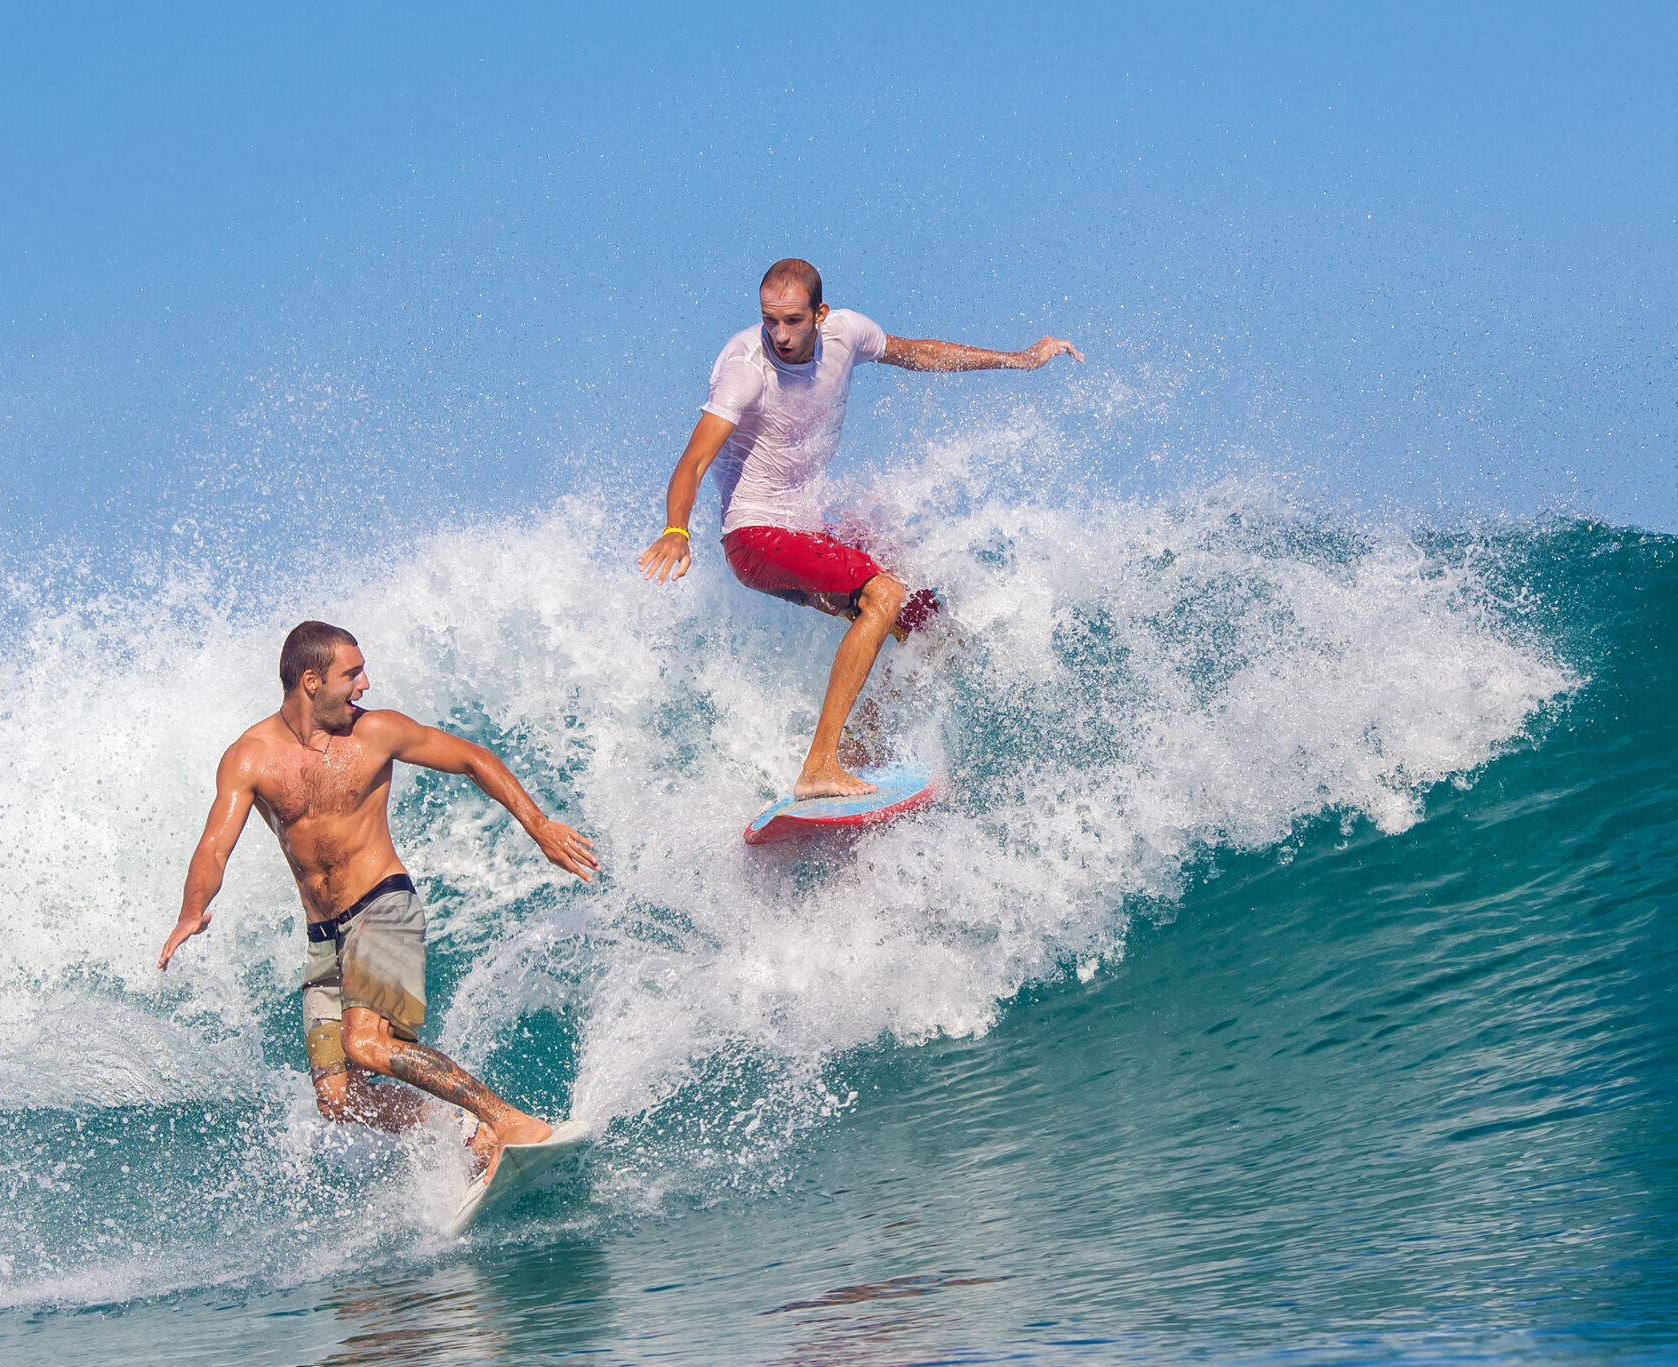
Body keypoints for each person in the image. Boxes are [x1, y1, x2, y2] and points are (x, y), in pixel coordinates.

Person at [158, 620, 599, 1176]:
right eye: (353, 673)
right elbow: (214, 846)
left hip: (383, 906)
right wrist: (191, 911)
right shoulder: (250, 757)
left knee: (365, 1043)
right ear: (311, 681)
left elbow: (472, 758)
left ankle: (506, 1117)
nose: (365, 684)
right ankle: (470, 1133)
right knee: (339, 1101)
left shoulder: (377, 732)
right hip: (325, 937)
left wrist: (538, 825)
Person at [638, 257, 1082, 798]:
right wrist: (675, 530)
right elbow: (692, 463)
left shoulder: (848, 333)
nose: (779, 334)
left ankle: (859, 744)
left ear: (819, 314)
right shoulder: (745, 369)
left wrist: (1018, 359)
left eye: (793, 320)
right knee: (884, 592)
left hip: (803, 529)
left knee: (929, 627)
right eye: (769, 319)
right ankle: (818, 765)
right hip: (754, 537)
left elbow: (917, 353)